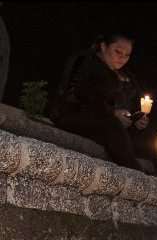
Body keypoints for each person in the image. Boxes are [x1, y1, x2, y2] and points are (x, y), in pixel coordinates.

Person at [49, 33, 150, 173]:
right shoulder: (84, 61)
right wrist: (112, 113)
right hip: (70, 115)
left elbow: (120, 103)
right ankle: (134, 170)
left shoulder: (120, 75)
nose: (122, 57)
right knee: (109, 123)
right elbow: (74, 95)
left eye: (127, 55)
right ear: (103, 46)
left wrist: (135, 117)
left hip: (100, 123)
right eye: (118, 51)